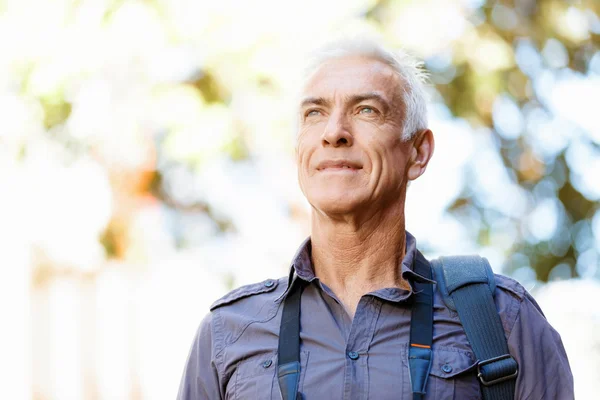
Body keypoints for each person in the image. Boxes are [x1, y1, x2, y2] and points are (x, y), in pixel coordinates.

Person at [177, 37, 574, 399]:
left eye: (367, 110)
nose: (334, 132)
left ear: (418, 152)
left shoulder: (501, 320)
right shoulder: (227, 333)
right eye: (315, 113)